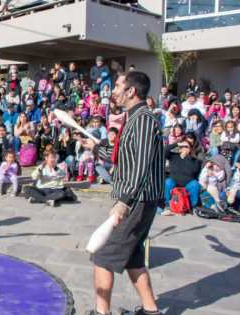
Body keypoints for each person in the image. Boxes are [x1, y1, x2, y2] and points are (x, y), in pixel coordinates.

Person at [82, 71, 164, 315]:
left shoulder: (144, 120)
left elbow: (140, 165)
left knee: (103, 256)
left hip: (136, 200)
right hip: (136, 199)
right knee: (132, 259)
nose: (112, 90)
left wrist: (123, 203)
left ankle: (101, 313)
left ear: (131, 91)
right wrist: (96, 147)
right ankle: (151, 311)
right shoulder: (132, 118)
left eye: (117, 85)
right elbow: (123, 157)